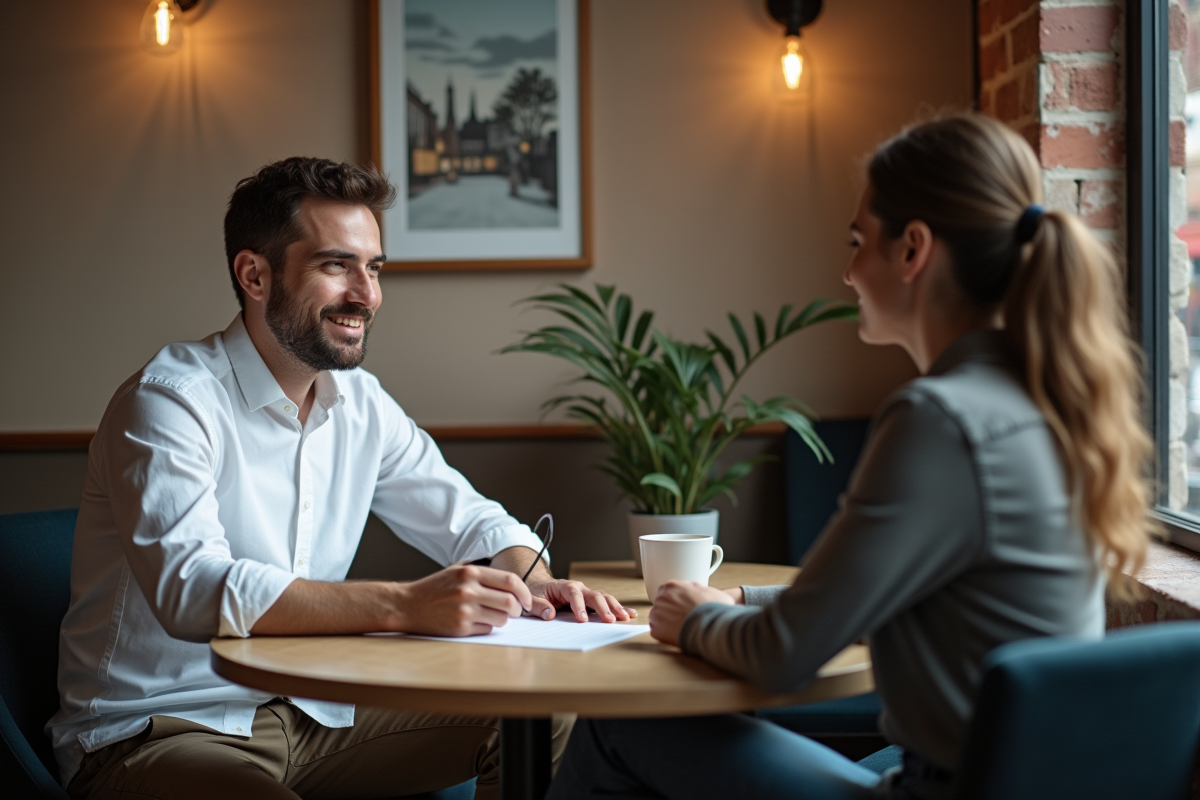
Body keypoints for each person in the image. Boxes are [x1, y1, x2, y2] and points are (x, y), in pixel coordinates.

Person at [546, 113, 1155, 800]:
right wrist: (741, 598)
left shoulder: (940, 419)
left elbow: (782, 657)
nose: (846, 270)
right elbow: (878, 596)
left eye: (858, 241)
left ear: (912, 249)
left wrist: (694, 619)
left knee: (614, 727)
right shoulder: (1037, 401)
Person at [49, 157, 635, 800]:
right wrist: (407, 606)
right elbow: (193, 590)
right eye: (336, 265)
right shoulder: (169, 401)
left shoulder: (361, 403)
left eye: (374, 267)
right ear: (254, 274)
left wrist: (538, 581)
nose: (367, 294)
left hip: (315, 714)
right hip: (158, 731)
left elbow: (472, 520)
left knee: (547, 715)